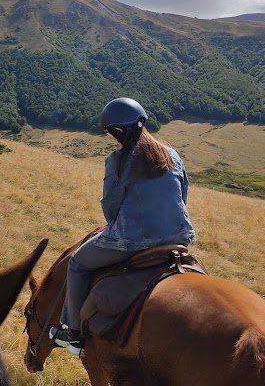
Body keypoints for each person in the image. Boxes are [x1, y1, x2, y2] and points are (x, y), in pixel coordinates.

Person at [49, 97, 196, 356]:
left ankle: (73, 334)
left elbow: (111, 208)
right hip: (178, 238)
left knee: (77, 264)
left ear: (116, 132)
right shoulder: (172, 155)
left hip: (130, 241)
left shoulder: (118, 160)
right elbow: (183, 196)